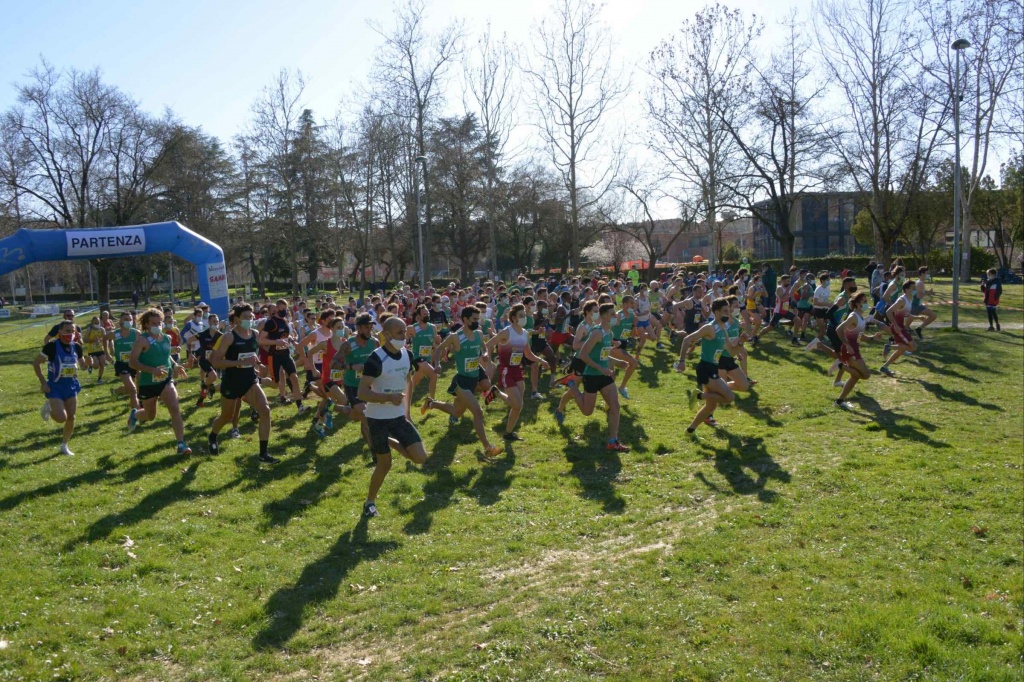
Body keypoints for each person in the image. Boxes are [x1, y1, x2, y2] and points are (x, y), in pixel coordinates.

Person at [358, 317, 429, 518]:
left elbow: (408, 381)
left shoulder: (408, 355)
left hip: (398, 417)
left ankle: (386, 440)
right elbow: (362, 393)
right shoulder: (376, 358)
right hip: (377, 418)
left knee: (420, 457)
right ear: (387, 335)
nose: (404, 336)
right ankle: (369, 503)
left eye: (405, 332)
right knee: (385, 464)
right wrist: (388, 397)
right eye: (399, 333)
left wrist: (408, 411)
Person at [421, 306, 504, 459]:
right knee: (477, 412)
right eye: (474, 319)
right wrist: (437, 364)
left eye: (478, 319)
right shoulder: (455, 337)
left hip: (476, 372)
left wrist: (485, 355)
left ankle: (430, 403)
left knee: (457, 411)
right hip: (463, 380)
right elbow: (439, 349)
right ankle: (488, 448)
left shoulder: (479, 333)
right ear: (465, 320)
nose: (477, 322)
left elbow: (484, 348)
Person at [553, 302, 630, 451]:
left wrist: (617, 362)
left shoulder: (610, 333)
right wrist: (602, 368)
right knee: (587, 412)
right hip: (591, 375)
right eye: (613, 314)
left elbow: (603, 355)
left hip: (604, 375)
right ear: (605, 316)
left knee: (615, 406)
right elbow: (583, 354)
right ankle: (571, 384)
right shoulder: (597, 332)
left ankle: (613, 441)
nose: (616, 316)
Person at [208, 304, 275, 463]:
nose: (249, 320)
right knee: (227, 417)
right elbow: (216, 362)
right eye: (245, 317)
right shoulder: (229, 337)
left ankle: (263, 454)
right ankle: (212, 436)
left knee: (265, 410)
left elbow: (251, 356)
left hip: (250, 379)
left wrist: (258, 365)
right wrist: (239, 362)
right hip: (232, 381)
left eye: (251, 317)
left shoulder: (255, 333)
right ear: (237, 319)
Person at [127, 309, 192, 456]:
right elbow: (132, 362)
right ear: (147, 325)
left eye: (159, 322)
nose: (157, 325)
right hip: (147, 383)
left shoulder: (166, 338)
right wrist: (152, 370)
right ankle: (135, 415)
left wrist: (176, 365)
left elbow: (166, 356)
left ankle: (181, 444)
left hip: (166, 380)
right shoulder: (142, 340)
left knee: (174, 408)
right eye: (153, 323)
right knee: (150, 416)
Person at [485, 303, 552, 442]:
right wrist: (488, 357)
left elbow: (528, 354)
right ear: (514, 318)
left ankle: (508, 433)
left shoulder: (525, 334)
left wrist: (541, 360)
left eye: (524, 316)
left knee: (517, 405)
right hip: (506, 370)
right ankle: (497, 393)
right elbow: (490, 343)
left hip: (518, 369)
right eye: (521, 316)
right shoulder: (506, 332)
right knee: (517, 404)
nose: (524, 318)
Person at [676, 298, 739, 435]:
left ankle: (690, 430)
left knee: (710, 405)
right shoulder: (709, 327)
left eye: (729, 311)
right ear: (716, 312)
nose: (728, 314)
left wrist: (742, 342)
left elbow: (732, 351)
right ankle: (699, 395)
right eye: (725, 311)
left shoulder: (723, 329)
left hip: (713, 368)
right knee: (729, 397)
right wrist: (682, 361)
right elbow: (687, 339)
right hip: (705, 368)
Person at [33, 320, 86, 456]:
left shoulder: (77, 347)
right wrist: (43, 383)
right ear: (60, 332)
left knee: (71, 417)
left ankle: (64, 445)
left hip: (71, 385)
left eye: (73, 331)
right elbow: (36, 363)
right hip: (55, 387)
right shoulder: (51, 347)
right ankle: (50, 407)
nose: (71, 334)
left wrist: (88, 364)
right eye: (68, 331)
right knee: (61, 418)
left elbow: (83, 366)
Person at [833, 292, 884, 408]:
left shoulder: (861, 318)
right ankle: (842, 366)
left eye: (867, 301)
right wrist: (847, 344)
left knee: (855, 376)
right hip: (849, 350)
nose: (867, 304)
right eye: (864, 302)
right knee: (866, 375)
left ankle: (839, 402)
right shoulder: (853, 316)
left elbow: (859, 336)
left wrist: (872, 338)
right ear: (857, 304)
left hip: (855, 349)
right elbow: (838, 329)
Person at [259, 299, 307, 413]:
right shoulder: (271, 323)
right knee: (275, 384)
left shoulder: (285, 321)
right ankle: (259, 380)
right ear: (276, 309)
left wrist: (291, 339)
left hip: (285, 354)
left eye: (285, 309)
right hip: (274, 356)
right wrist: (276, 342)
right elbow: (261, 340)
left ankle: (300, 406)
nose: (284, 311)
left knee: (294, 377)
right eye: (282, 309)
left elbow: (285, 335)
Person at [194, 314, 223, 407]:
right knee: (213, 377)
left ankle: (200, 400)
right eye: (214, 321)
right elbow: (189, 341)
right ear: (209, 322)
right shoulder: (202, 334)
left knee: (210, 381)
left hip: (215, 361)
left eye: (217, 321)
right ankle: (205, 386)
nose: (216, 323)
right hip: (204, 361)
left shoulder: (221, 336)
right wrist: (191, 353)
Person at [910, 266, 937, 338]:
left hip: (917, 305)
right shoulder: (920, 283)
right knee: (905, 327)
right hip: (915, 306)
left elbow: (920, 294)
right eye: (927, 273)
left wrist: (929, 292)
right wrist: (928, 293)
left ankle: (919, 329)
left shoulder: (920, 282)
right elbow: (919, 296)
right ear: (922, 274)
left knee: (933, 315)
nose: (928, 274)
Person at [82, 316, 108, 383]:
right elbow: (84, 340)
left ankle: (99, 378)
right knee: (96, 366)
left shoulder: (102, 329)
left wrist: (103, 342)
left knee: (102, 363)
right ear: (92, 322)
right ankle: (90, 364)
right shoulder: (89, 329)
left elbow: (105, 339)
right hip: (92, 350)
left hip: (100, 349)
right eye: (95, 322)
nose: (97, 323)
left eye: (98, 322)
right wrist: (93, 340)